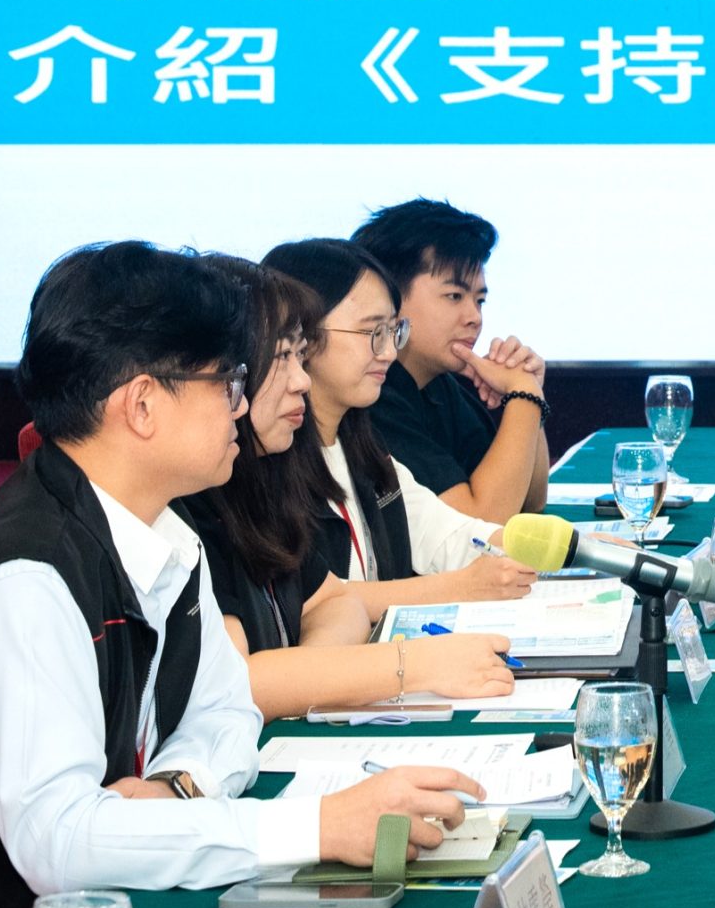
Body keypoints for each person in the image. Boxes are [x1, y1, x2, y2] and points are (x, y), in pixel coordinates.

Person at [0, 243, 483, 908]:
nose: (241, 407)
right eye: (227, 383)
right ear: (143, 405)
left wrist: (177, 786)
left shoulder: (161, 531)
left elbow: (229, 710)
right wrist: (317, 827)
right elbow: (58, 842)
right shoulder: (23, 579)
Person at [176, 257, 517, 721]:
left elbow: (336, 602)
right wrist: (404, 666)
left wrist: (310, 673)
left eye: (299, 356)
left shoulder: (280, 471)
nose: (301, 379)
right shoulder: (192, 500)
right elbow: (239, 683)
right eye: (284, 357)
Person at [261, 239, 537, 617]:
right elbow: (310, 599)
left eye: (394, 331)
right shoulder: (264, 463)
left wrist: (576, 551)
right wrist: (460, 586)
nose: (390, 351)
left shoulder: (363, 448)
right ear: (302, 337)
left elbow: (452, 535)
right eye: (372, 333)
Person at [352, 199, 551, 522]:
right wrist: (524, 395)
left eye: (480, 300)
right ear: (390, 298)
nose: (474, 317)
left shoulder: (440, 387)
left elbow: (530, 501)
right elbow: (479, 522)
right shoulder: (373, 398)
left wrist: (529, 394)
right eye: (454, 296)